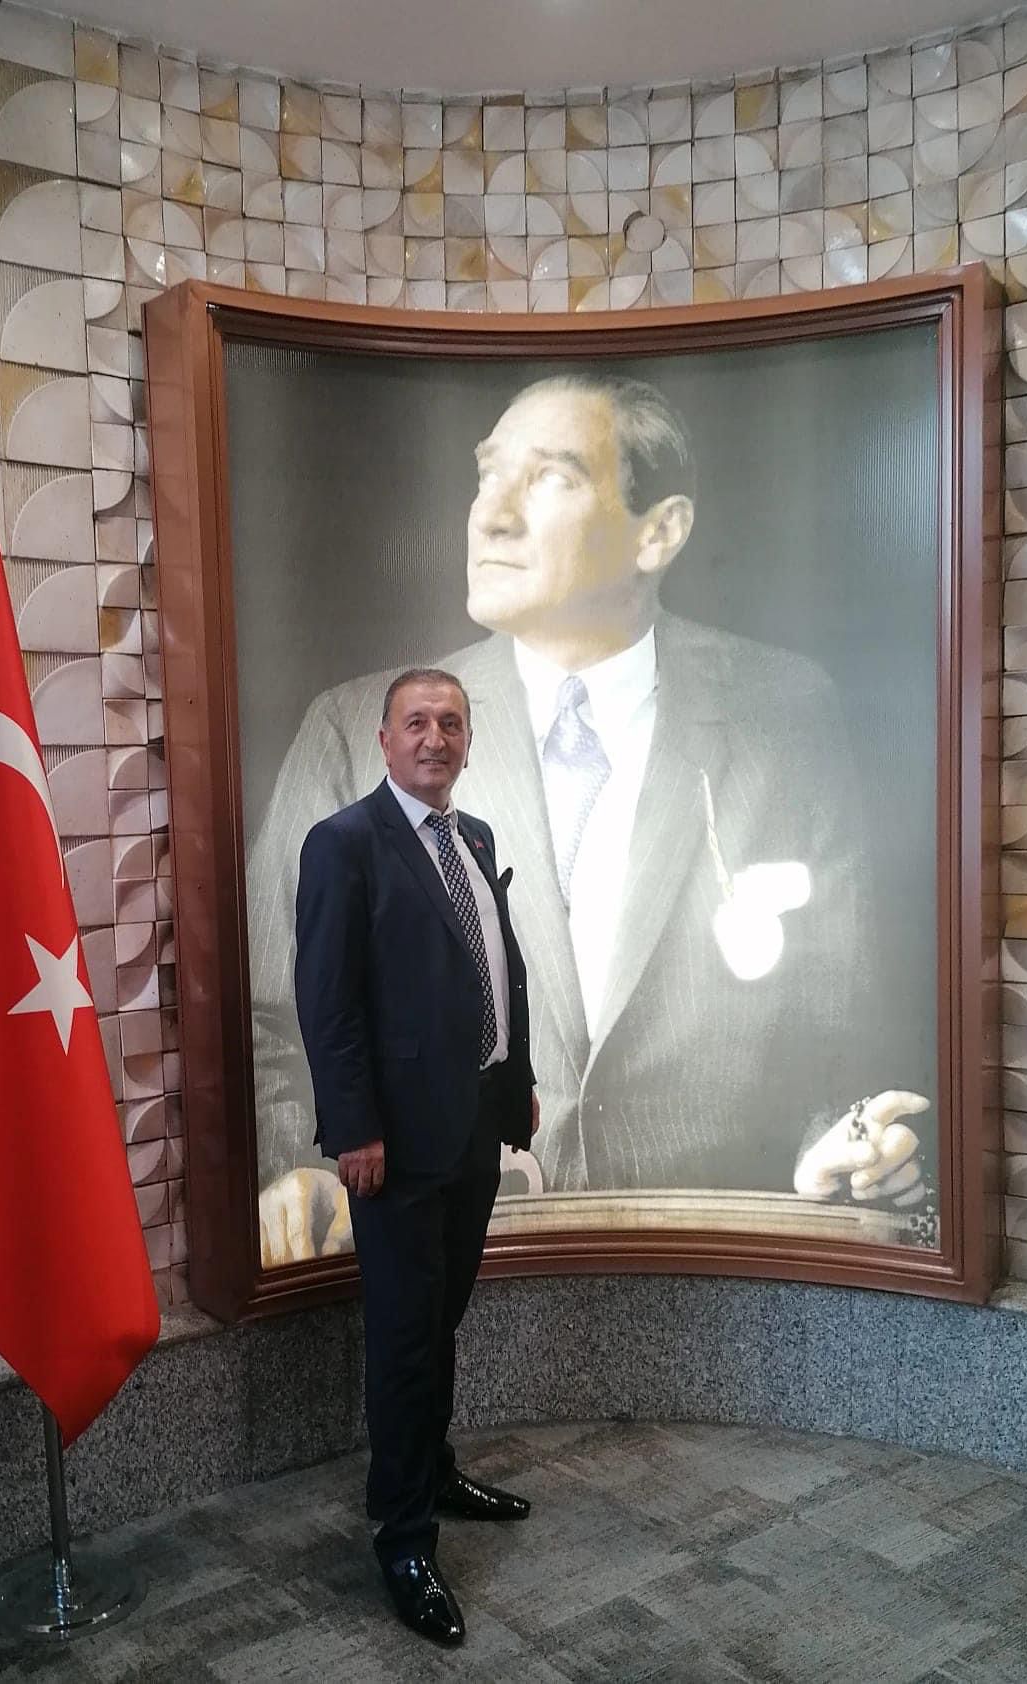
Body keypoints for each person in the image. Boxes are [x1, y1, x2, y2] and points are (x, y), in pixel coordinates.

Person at [252, 371, 930, 1266]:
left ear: (660, 531)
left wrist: (836, 1145)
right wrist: (299, 1169)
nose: (490, 516)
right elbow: (269, 1023)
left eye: (549, 477)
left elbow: (836, 1027)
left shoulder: (788, 716)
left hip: (706, 1266)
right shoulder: (355, 732)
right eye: (488, 475)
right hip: (439, 1252)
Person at [295, 667, 539, 1647]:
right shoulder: (344, 843)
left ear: (468, 742)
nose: (435, 738)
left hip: (474, 1123)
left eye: (452, 723)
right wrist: (354, 1127)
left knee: (442, 1319)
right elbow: (329, 1001)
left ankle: (431, 1469)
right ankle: (403, 1538)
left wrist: (516, 1081)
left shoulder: (473, 836)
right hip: (393, 1143)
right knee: (403, 1339)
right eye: (417, 722)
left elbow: (496, 970)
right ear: (384, 738)